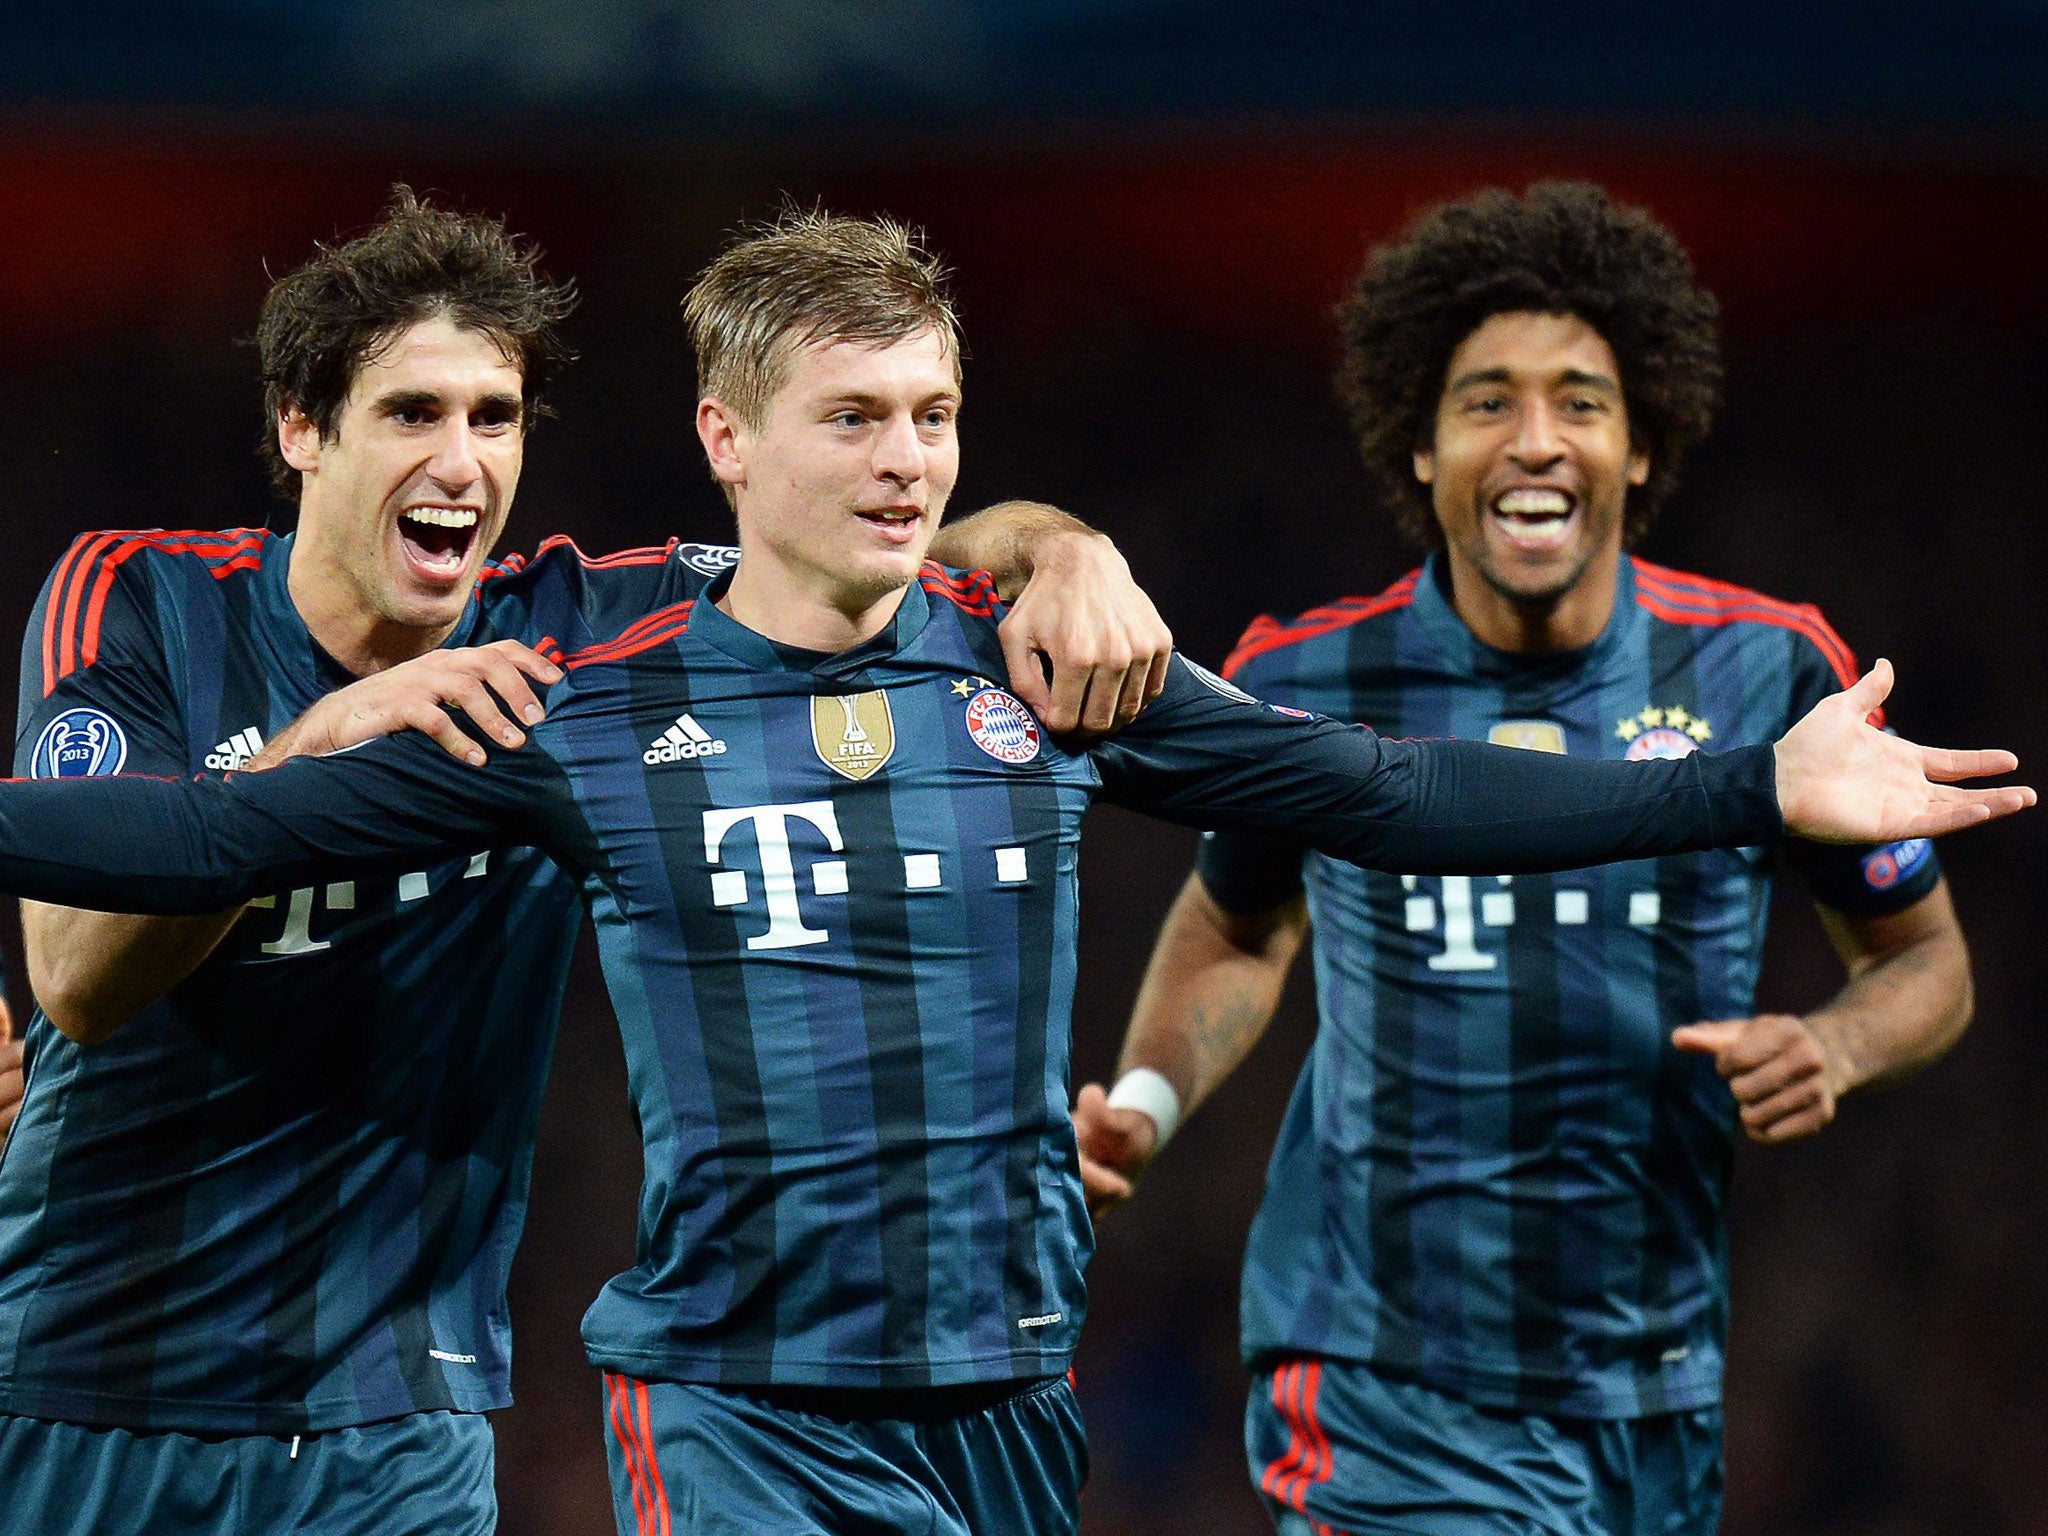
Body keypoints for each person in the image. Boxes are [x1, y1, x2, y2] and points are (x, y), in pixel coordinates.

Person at [0, 208, 2019, 1536]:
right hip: (723, 1398)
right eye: (854, 417)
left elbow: (1391, 796)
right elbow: (206, 840)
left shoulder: (1039, 667)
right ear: (727, 438)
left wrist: (1748, 789)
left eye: (934, 419)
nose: (903, 459)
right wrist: (285, 746)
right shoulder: (575, 697)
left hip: (1000, 1399)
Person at [0, 189, 1170, 1536]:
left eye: (492, 418)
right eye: (410, 414)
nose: (461, 462)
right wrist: (319, 746)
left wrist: (1059, 546)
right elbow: (79, 975)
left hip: (396, 1419)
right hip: (87, 1374)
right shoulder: (138, 595)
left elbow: (852, 532)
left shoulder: (584, 639)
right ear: (301, 430)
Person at [1074, 182, 1984, 1536]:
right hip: (1388, 1384)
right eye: (1487, 400)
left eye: (1582, 401)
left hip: (1656, 1388)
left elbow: (1926, 962)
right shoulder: (1311, 673)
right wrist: (1147, 1096)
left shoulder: (1774, 669)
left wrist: (1840, 1046)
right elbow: (1240, 924)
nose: (1537, 439)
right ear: (1424, 449)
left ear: (1636, 447)